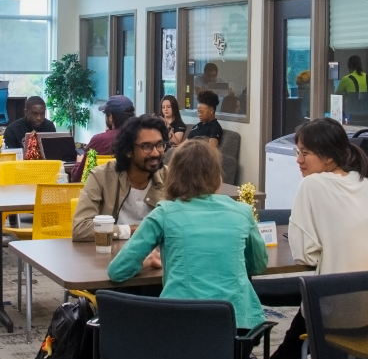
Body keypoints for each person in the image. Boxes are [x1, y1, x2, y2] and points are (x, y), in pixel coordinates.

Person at [253, 118, 368, 359]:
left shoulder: (313, 185)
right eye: (297, 152)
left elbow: (305, 255)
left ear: (328, 157)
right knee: (321, 300)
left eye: (305, 153)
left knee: (316, 301)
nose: (298, 160)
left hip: (336, 308)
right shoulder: (366, 182)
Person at [107, 139, 268, 332]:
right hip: (238, 329)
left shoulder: (164, 213)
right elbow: (258, 265)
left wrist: (148, 262)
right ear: (216, 175)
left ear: (173, 175)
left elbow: (117, 270)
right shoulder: (242, 212)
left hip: (180, 329)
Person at [71, 115, 168, 242]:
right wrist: (133, 230)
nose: (155, 153)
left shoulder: (170, 177)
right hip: (112, 256)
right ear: (128, 151)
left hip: (159, 257)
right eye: (147, 147)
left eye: (159, 145)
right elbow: (80, 228)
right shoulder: (101, 177)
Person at [70, 95, 136, 181]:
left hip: (103, 191)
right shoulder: (140, 137)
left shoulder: (98, 140)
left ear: (111, 117)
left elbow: (78, 177)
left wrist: (78, 163)